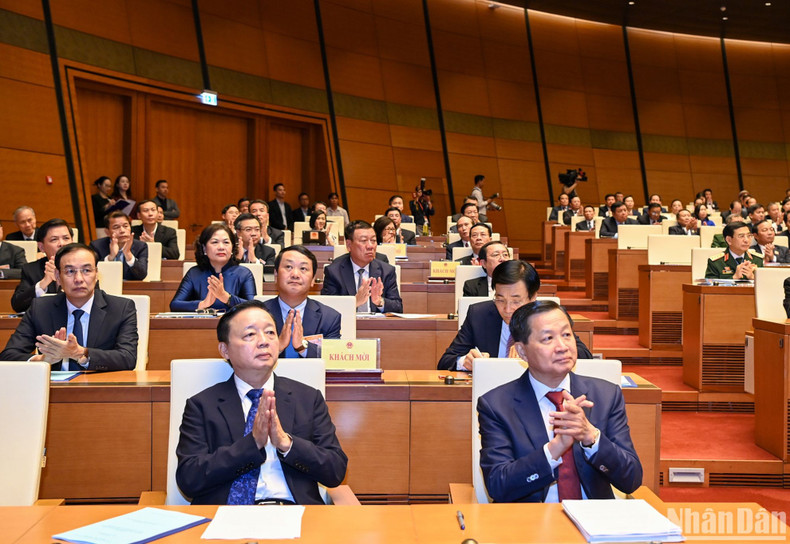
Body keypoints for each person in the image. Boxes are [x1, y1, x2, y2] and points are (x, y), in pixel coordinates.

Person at [174, 300, 347, 505]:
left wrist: (286, 443)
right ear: (224, 350)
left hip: (295, 515)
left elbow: (335, 470)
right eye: (250, 335)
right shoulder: (202, 405)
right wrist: (252, 444)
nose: (264, 341)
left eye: (270, 333)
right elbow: (189, 479)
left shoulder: (308, 399)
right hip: (227, 518)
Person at [477, 300, 642, 502]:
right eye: (548, 338)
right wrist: (555, 449)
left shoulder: (606, 395)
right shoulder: (496, 405)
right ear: (521, 351)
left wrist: (591, 437)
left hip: (595, 522)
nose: (562, 347)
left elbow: (631, 479)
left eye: (566, 335)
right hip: (530, 523)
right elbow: (497, 484)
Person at [1, 243, 138, 371]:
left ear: (96, 274)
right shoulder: (41, 308)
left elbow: (128, 358)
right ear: (58, 277)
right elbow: (8, 355)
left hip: (99, 389)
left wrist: (80, 353)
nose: (79, 279)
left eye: (86, 270)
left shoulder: (121, 308)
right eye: (70, 271)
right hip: (53, 391)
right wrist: (42, 360)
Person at [439, 260, 592, 371]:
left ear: (533, 298)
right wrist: (465, 361)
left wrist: (535, 355)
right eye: (500, 300)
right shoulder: (479, 315)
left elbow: (585, 356)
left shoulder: (550, 317)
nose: (507, 309)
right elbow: (446, 360)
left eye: (516, 301)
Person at [261, 246, 341, 358]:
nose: (295, 274)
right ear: (276, 275)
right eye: (288, 267)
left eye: (303, 269)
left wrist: (302, 347)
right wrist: (277, 347)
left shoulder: (329, 318)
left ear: (313, 279)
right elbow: (247, 357)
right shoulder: (257, 314)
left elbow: (333, 359)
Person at [321, 220, 402, 313]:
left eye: (373, 240)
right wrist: (354, 302)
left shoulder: (387, 271)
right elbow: (326, 310)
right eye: (363, 241)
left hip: (376, 326)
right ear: (348, 245)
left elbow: (398, 307)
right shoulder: (334, 272)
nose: (370, 246)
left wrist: (380, 301)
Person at [170, 223, 256, 311]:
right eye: (215, 242)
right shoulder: (194, 273)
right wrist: (203, 304)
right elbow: (175, 305)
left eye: (226, 242)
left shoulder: (244, 273)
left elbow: (255, 307)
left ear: (232, 247)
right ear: (204, 248)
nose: (221, 247)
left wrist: (226, 297)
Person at [11, 218, 73, 312]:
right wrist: (43, 283)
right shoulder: (31, 270)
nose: (62, 244)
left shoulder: (85, 267)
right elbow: (18, 305)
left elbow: (97, 301)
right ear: (41, 247)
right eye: (54, 239)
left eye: (66, 238)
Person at [90, 211, 149, 280]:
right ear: (107, 232)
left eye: (125, 226)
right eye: (116, 227)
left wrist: (128, 254)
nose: (122, 230)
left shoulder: (140, 246)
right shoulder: (96, 246)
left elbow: (141, 275)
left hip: (131, 288)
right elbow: (93, 275)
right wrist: (110, 257)